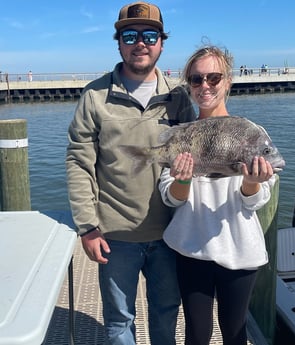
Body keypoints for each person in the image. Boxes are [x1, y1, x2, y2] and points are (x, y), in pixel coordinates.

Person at [65, 2, 196, 344]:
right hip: (115, 235)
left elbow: (197, 153)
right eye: (130, 35)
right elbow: (79, 162)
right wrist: (87, 227)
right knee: (119, 321)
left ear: (162, 42)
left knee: (167, 312)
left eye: (150, 34)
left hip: (170, 234)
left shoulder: (178, 98)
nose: (141, 42)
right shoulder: (94, 96)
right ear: (119, 41)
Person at [159, 46, 275, 345]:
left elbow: (257, 199)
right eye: (196, 79)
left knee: (234, 329)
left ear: (228, 81)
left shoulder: (250, 132)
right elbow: (170, 198)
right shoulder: (181, 134)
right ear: (188, 85)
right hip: (191, 248)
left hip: (239, 251)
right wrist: (182, 181)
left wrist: (251, 182)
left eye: (213, 77)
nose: (205, 86)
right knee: (197, 333)